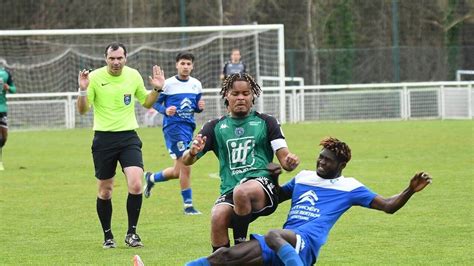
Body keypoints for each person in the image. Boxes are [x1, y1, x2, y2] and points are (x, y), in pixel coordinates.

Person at [186, 137, 433, 266]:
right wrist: (273, 179)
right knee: (223, 258)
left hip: (305, 244)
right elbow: (279, 197)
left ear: (342, 165)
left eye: (328, 161)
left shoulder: (350, 187)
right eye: (320, 158)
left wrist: (409, 190)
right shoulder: (304, 177)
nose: (321, 163)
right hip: (283, 244)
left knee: (273, 234)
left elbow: (388, 206)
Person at [182, 73, 300, 251]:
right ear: (226, 96)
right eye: (235, 93)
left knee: (242, 191)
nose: (241, 98)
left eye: (246, 93)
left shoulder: (267, 122)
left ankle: (240, 249)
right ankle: (221, 261)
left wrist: (290, 161)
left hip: (262, 186)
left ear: (253, 96)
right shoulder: (214, 127)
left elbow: (284, 158)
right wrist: (192, 152)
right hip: (231, 188)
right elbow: (187, 160)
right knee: (217, 216)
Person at [77, 42, 165, 249]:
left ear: (126, 58)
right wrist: (82, 90)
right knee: (105, 191)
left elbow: (146, 102)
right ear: (105, 58)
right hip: (103, 139)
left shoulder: (133, 75)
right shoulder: (95, 78)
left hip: (128, 137)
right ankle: (108, 236)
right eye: (112, 58)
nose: (116, 62)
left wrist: (157, 89)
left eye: (119, 58)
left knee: (135, 184)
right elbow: (82, 110)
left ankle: (132, 234)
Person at [143, 52, 205, 215]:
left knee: (178, 171)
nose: (185, 66)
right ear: (177, 65)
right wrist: (165, 110)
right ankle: (188, 206)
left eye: (188, 64)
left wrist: (200, 107)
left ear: (192, 66)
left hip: (189, 127)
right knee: (186, 166)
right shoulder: (168, 84)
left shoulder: (196, 84)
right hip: (174, 129)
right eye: (182, 63)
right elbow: (153, 103)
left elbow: (196, 107)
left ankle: (151, 178)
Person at [0, 64, 17, 171]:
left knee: (4, 137)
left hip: (2, 110)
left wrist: (8, 87)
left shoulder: (5, 73)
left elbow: (14, 89)